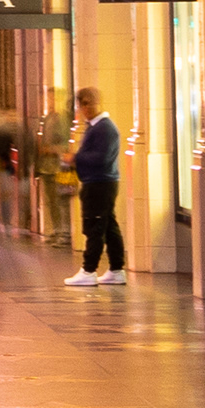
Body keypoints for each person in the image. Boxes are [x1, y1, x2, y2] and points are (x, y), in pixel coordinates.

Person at [66, 86, 127, 284]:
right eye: (83, 104)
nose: (86, 107)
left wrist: (76, 158)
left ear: (98, 102)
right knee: (108, 226)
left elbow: (101, 158)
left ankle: (89, 270)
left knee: (95, 226)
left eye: (89, 103)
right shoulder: (95, 127)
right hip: (99, 182)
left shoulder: (104, 128)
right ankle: (116, 269)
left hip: (100, 183)